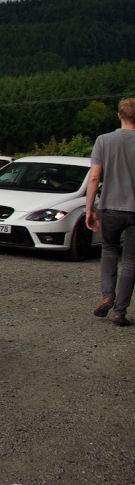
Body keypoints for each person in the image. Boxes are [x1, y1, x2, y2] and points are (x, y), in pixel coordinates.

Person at [86, 97, 135, 327]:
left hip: (110, 209)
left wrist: (89, 209)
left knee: (108, 251)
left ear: (119, 115)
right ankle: (120, 312)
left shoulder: (104, 141)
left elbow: (94, 177)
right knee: (131, 261)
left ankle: (108, 294)